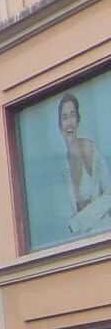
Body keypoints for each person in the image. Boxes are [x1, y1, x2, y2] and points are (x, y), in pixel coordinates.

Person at [57, 93, 111, 237]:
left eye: (72, 115)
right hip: (81, 242)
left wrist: (80, 221)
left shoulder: (90, 151)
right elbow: (65, 219)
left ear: (78, 120)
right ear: (60, 126)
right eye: (64, 117)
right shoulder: (63, 168)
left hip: (104, 234)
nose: (69, 122)